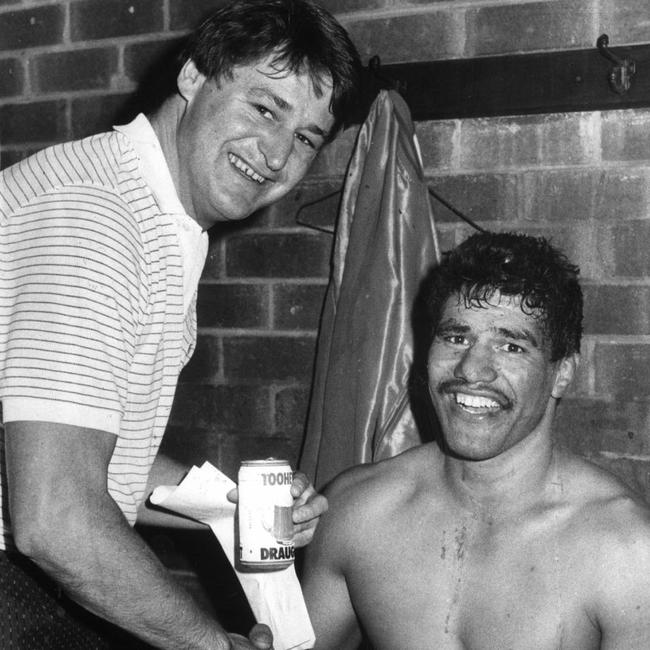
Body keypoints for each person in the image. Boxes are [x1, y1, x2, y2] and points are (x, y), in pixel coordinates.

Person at [0, 0, 361, 648]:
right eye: (264, 107)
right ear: (194, 77)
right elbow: (54, 517)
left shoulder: (151, 213)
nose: (277, 154)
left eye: (306, 136)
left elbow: (103, 465)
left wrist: (240, 510)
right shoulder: (100, 217)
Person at [302, 231, 650, 649]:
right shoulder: (358, 510)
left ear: (562, 373)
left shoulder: (626, 549)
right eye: (456, 338)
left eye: (510, 346)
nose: (472, 369)